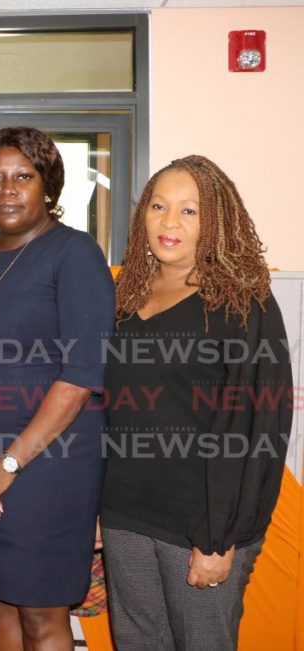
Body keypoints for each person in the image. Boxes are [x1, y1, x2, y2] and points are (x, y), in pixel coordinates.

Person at [100, 155, 292, 651]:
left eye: (190, 211)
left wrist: (221, 539)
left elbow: (260, 429)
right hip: (125, 515)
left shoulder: (244, 302)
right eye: (159, 206)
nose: (169, 222)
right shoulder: (123, 295)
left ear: (217, 221)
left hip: (202, 526)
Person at [0, 126, 115, 649]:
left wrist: (9, 464)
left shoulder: (76, 254)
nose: (7, 190)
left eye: (23, 177)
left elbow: (81, 375)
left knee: (42, 615)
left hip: (50, 463)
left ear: (48, 186)